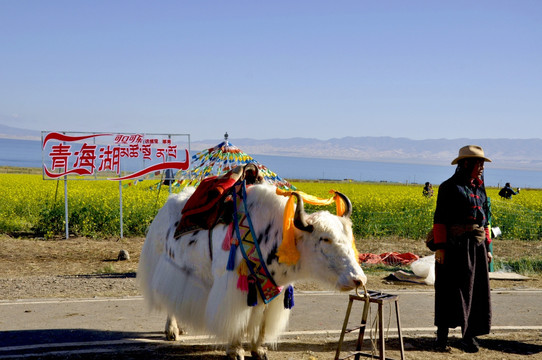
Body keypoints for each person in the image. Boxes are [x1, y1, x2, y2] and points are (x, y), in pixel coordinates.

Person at [431, 145, 493, 353]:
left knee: (475, 291)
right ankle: (441, 339)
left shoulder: (479, 187)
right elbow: (439, 220)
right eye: (479, 163)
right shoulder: (449, 187)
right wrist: (440, 248)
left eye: (483, 163)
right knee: (449, 290)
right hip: (454, 247)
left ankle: (469, 336)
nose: (482, 167)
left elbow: (485, 221)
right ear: (466, 164)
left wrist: (488, 248)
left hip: (477, 247)